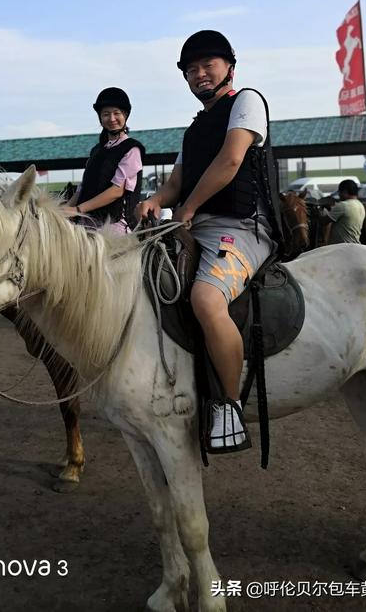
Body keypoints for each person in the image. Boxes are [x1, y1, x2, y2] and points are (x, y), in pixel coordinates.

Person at [136, 31, 282, 453]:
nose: (199, 74)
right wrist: (154, 201)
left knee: (205, 299)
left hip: (243, 228)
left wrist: (186, 208)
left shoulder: (246, 103)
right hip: (197, 225)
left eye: (207, 66)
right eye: (191, 70)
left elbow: (231, 160)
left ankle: (229, 404)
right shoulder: (195, 129)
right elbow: (176, 183)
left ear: (228, 68)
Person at [61, 88, 144, 235]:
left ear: (125, 115)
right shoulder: (96, 150)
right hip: (86, 224)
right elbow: (82, 188)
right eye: (106, 114)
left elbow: (117, 191)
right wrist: (64, 210)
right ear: (100, 118)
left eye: (116, 113)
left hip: (114, 226)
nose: (111, 118)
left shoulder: (131, 149)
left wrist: (77, 210)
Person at [325, 179, 366, 244]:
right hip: (355, 244)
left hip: (341, 246)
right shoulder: (360, 205)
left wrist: (317, 213)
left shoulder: (342, 205)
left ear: (345, 192)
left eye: (340, 192)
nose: (339, 195)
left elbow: (324, 221)